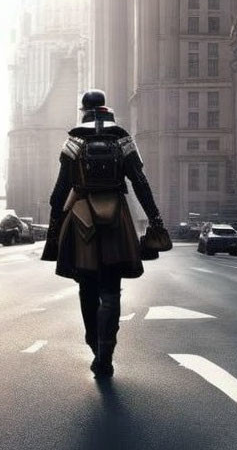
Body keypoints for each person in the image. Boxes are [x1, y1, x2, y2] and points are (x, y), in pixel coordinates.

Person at [41, 89, 163, 378]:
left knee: (87, 288)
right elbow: (140, 183)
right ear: (107, 110)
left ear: (84, 110)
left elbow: (58, 193)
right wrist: (155, 219)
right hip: (117, 219)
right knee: (111, 290)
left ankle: (94, 345)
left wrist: (55, 229)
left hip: (81, 219)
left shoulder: (73, 140)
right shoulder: (122, 138)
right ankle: (106, 353)